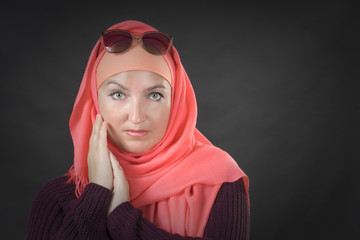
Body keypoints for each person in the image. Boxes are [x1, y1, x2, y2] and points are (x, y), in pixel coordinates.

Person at [26, 20, 250, 239]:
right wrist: (96, 195)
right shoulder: (56, 199)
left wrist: (120, 217)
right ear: (95, 102)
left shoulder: (220, 180)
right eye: (118, 94)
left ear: (176, 102)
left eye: (154, 95)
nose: (136, 116)